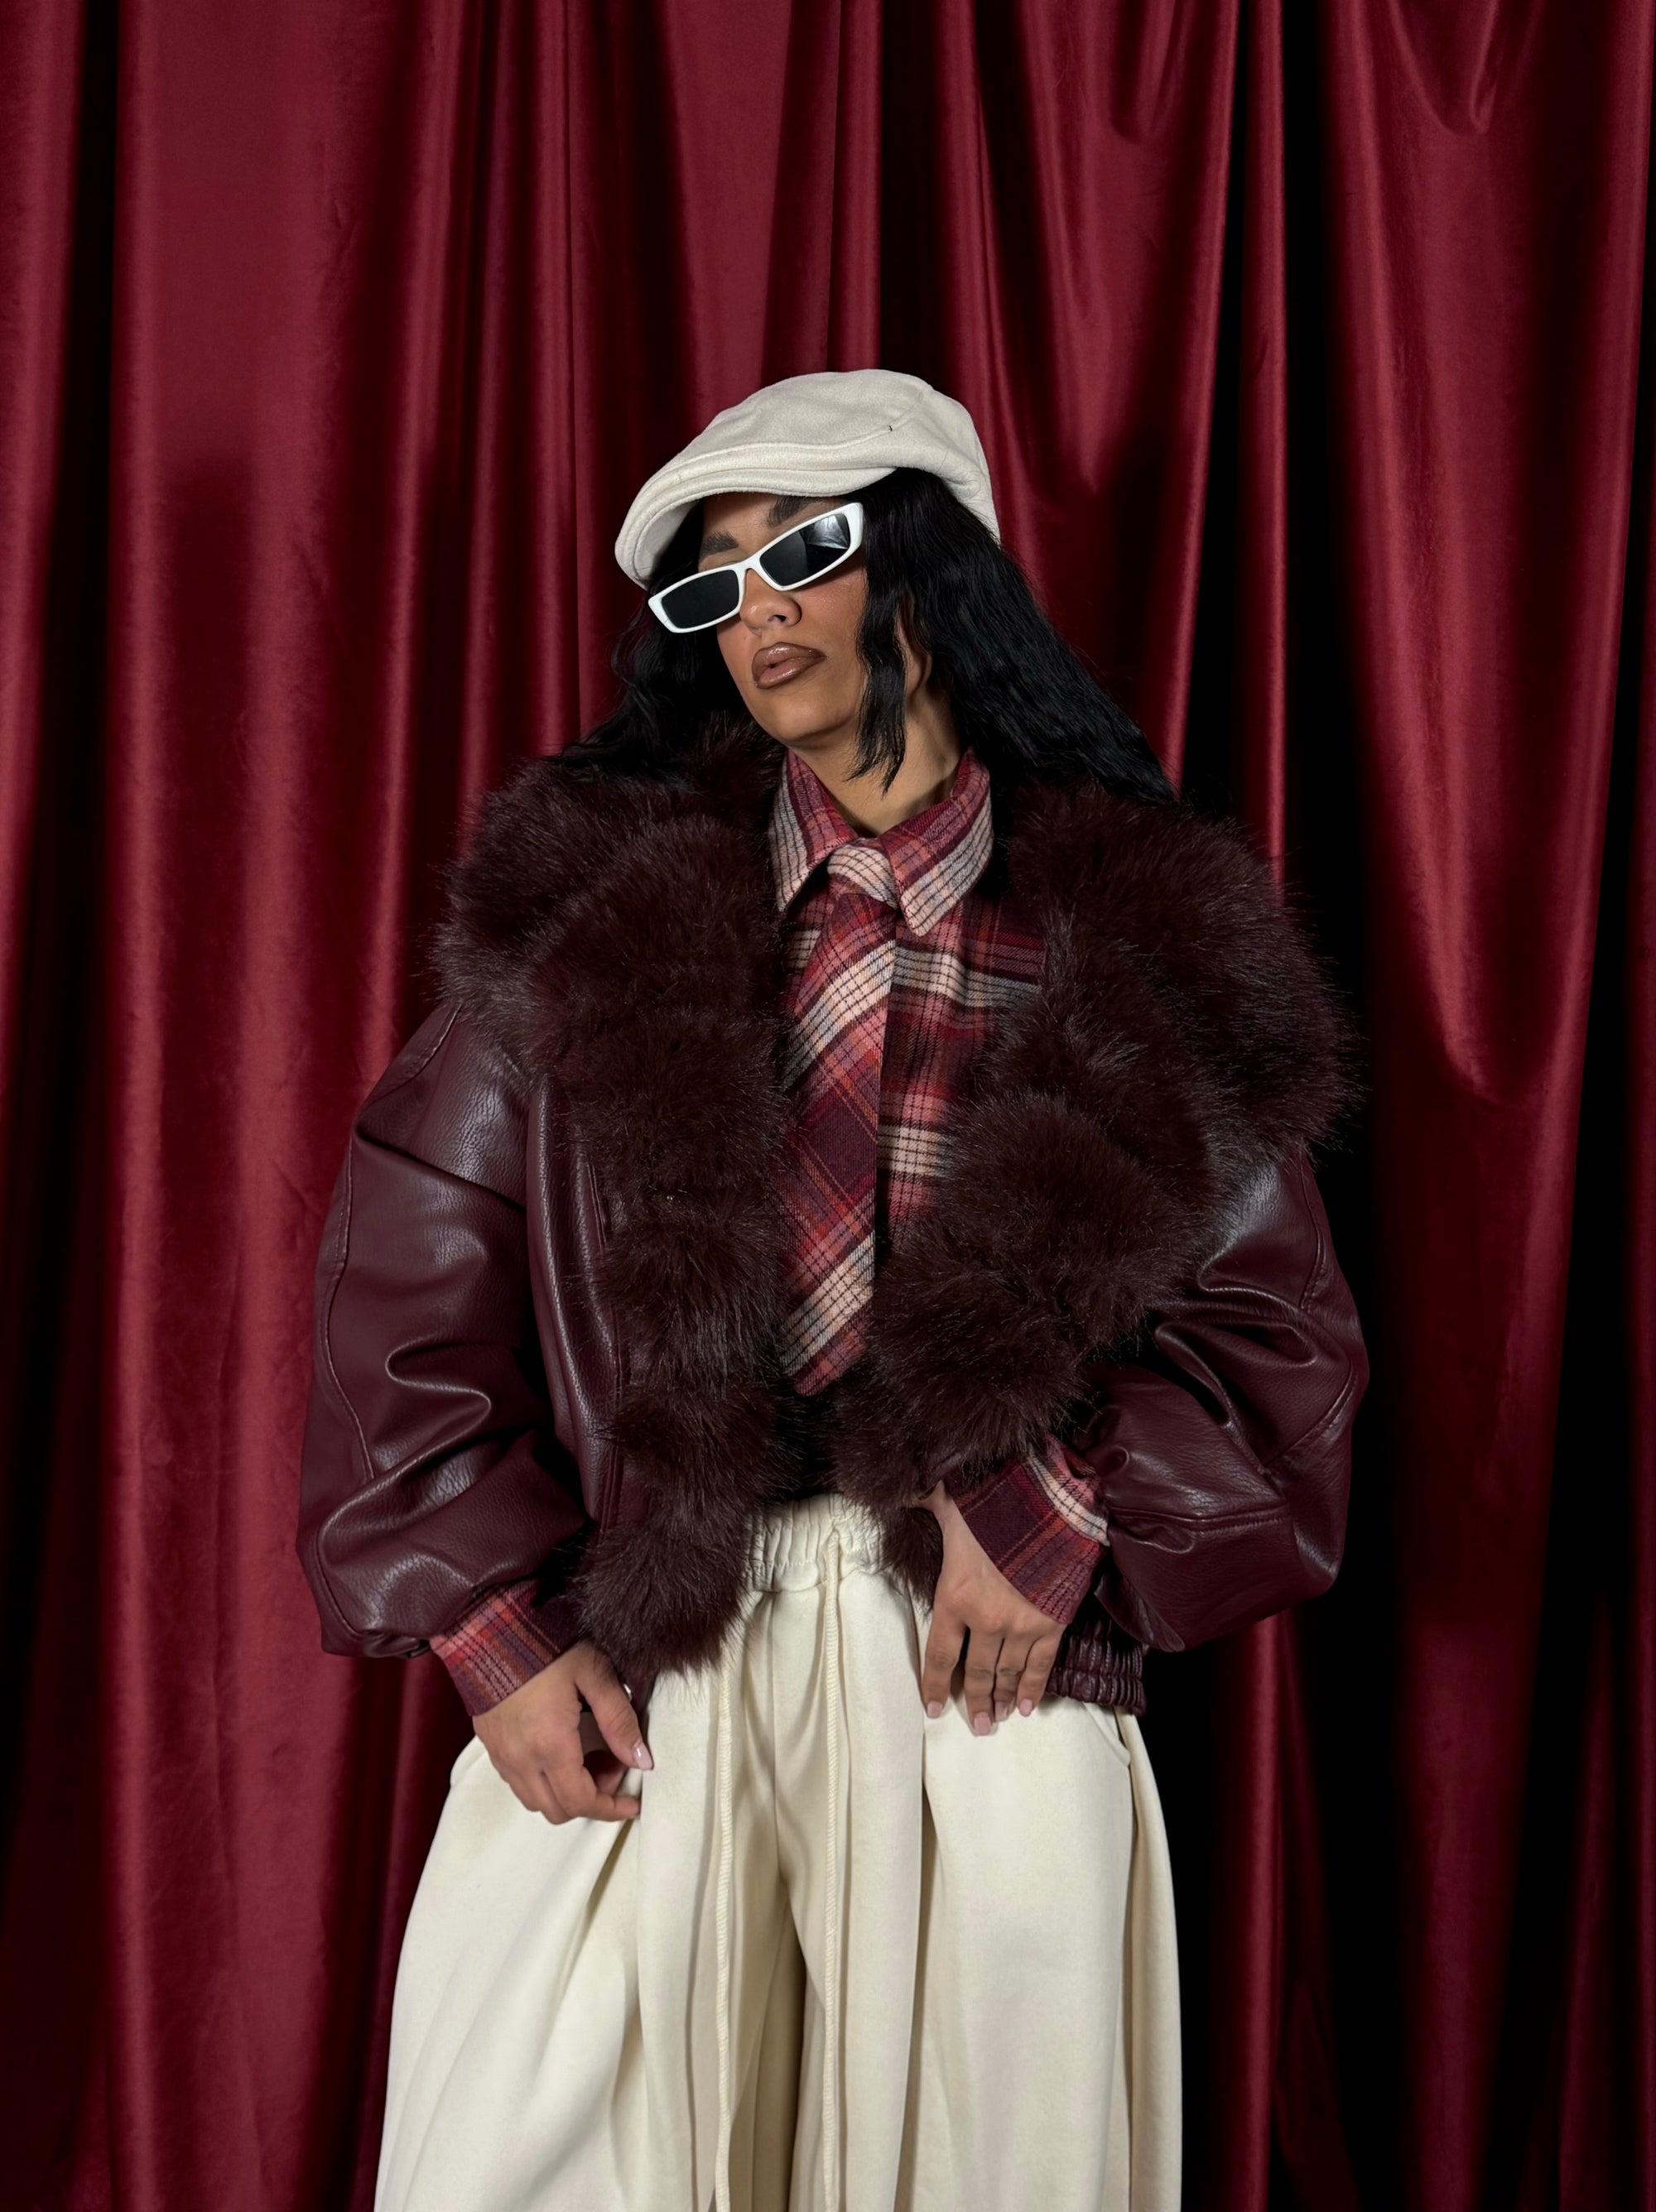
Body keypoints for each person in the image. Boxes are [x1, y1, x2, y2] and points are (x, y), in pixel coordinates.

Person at [296, 368, 1369, 2212]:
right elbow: (408, 1278)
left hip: (982, 1654)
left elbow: (1279, 1342)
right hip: (653, 1636)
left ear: (930, 566)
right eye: (714, 584)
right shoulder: (597, 919)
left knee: (989, 2162)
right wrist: (487, 1625)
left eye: (802, 553)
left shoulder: (1146, 944)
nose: (758, 613)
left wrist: (1061, 1513)